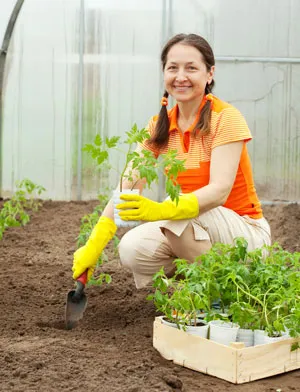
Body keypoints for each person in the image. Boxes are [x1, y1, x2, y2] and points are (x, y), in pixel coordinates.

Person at [72, 33, 271, 289]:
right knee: (133, 248)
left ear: (209, 74)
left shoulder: (226, 119)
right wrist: (94, 245)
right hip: (194, 224)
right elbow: (128, 188)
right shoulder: (159, 126)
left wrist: (161, 210)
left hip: (245, 233)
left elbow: (219, 191)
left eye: (191, 68)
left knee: (174, 213)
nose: (181, 77)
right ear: (164, 73)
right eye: (172, 68)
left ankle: (224, 290)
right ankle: (193, 287)